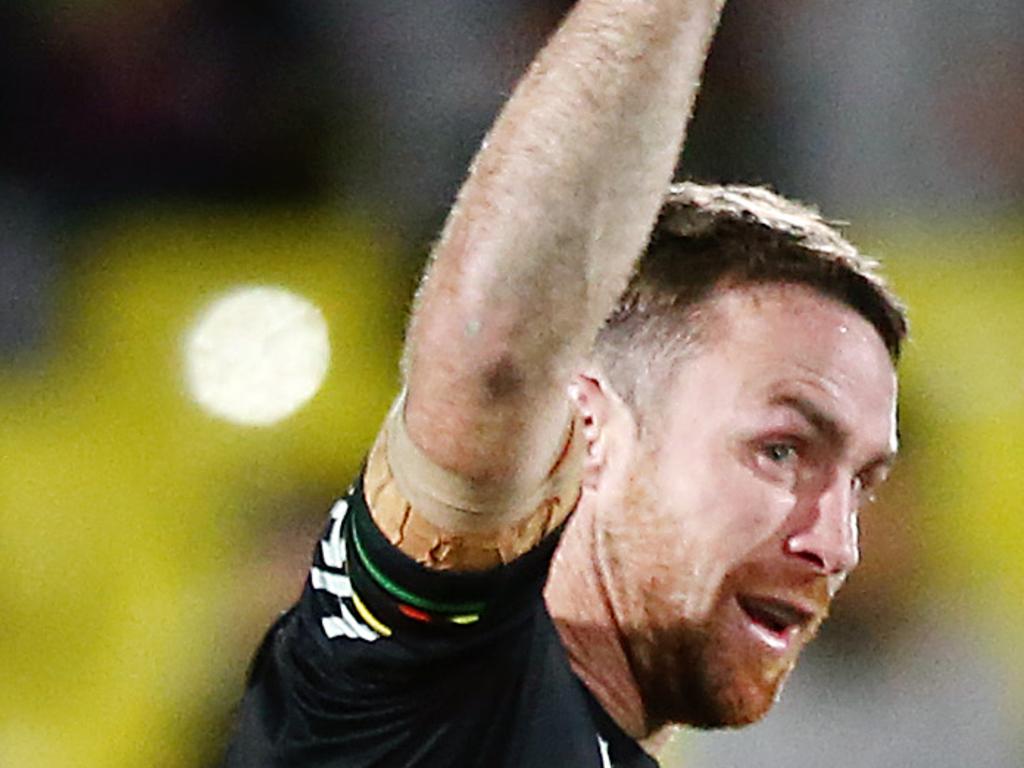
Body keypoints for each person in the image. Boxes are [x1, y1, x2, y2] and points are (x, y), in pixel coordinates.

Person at [225, 1, 907, 766]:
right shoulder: (425, 678)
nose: (837, 544)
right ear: (588, 428)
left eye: (862, 483)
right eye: (780, 450)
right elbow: (495, 363)